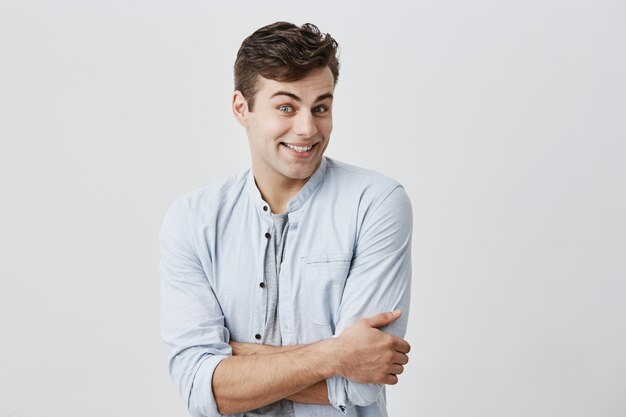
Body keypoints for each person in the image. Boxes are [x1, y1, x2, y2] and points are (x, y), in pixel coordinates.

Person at [160, 21, 412, 417]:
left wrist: (235, 359)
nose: (308, 128)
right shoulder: (193, 220)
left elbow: (363, 381)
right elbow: (199, 389)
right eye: (286, 107)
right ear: (242, 109)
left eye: (321, 107)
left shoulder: (376, 203)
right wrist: (337, 354)